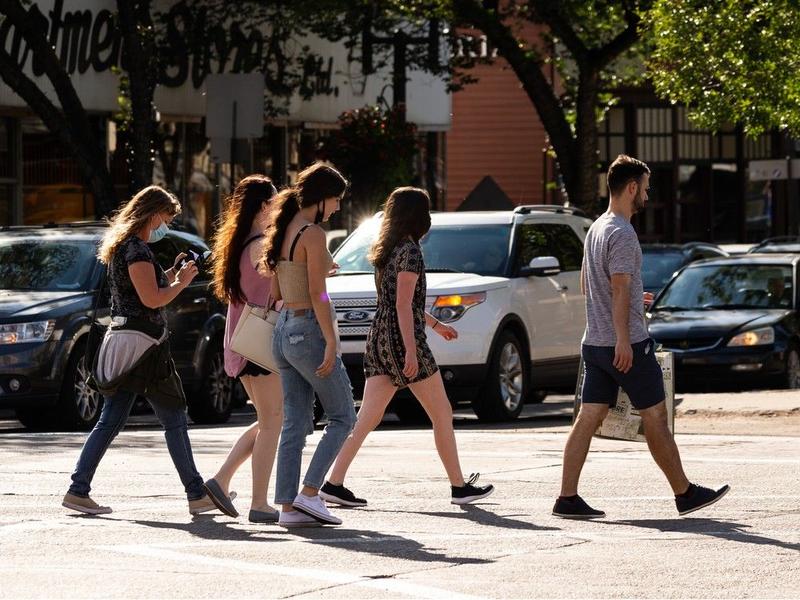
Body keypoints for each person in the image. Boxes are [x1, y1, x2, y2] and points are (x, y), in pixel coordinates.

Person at [553, 155, 730, 519]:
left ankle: (566, 498)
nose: (647, 196)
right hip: (627, 343)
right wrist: (623, 334)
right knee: (655, 417)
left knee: (588, 417)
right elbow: (617, 289)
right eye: (646, 188)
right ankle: (684, 493)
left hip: (594, 343)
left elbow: (591, 285)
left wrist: (633, 297)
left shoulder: (597, 229)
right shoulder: (623, 232)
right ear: (631, 187)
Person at [320, 187, 494, 507]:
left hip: (380, 338)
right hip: (402, 341)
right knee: (442, 413)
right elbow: (403, 306)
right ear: (419, 216)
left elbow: (399, 303)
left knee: (367, 418)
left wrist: (437, 324)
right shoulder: (411, 252)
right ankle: (458, 487)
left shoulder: (386, 250)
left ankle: (332, 483)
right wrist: (412, 351)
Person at [62, 186, 220, 516]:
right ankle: (195, 493)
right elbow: (152, 299)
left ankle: (78, 489)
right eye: (166, 217)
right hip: (143, 345)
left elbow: (145, 286)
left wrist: (173, 272)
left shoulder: (129, 247)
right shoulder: (135, 249)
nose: (167, 224)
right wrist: (182, 284)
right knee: (174, 417)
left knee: (111, 420)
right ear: (151, 213)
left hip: (128, 341)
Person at [264, 162, 357, 528]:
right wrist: (332, 341)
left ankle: (288, 507)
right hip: (308, 331)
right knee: (343, 416)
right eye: (335, 200)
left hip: (284, 332)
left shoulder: (285, 229)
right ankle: (310, 493)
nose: (338, 207)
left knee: (296, 422)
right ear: (321, 198)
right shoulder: (314, 234)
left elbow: (276, 291)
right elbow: (319, 294)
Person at [201, 175, 284, 523]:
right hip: (259, 343)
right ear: (264, 207)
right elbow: (279, 292)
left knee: (267, 420)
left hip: (244, 342)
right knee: (273, 422)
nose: (278, 211)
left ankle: (220, 480)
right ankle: (260, 503)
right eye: (276, 205)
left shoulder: (240, 242)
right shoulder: (259, 245)